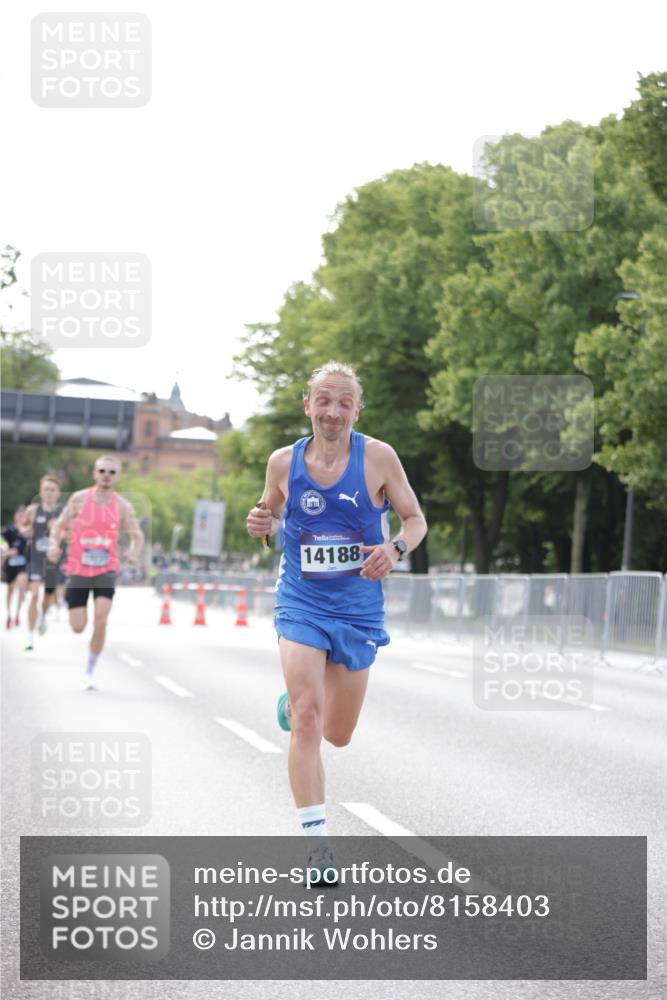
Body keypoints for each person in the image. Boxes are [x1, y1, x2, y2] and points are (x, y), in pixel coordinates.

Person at [246, 361, 427, 880]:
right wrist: (260, 522)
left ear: (356, 409)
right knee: (307, 715)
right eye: (324, 400)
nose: (333, 411)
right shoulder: (283, 462)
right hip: (300, 600)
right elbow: (267, 518)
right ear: (308, 405)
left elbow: (415, 520)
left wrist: (394, 548)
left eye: (344, 402)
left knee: (339, 733)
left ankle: (297, 701)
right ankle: (317, 847)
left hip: (357, 606)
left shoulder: (378, 458)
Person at [48, 455, 144, 689]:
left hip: (106, 568)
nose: (106, 476)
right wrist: (54, 544)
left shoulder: (122, 505)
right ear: (94, 473)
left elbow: (136, 535)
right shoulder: (79, 499)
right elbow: (59, 527)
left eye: (112, 472)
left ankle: (90, 669)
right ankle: (78, 623)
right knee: (78, 626)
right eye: (102, 471)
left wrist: (133, 552)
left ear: (117, 476)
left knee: (101, 619)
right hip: (79, 569)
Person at [21, 475, 64, 650]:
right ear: (41, 491)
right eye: (46, 489)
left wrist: (59, 528)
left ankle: (43, 616)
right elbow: (23, 528)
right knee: (34, 595)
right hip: (36, 558)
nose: (48, 493)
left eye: (52, 490)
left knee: (48, 596)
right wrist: (28, 530)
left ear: (58, 493)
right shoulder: (32, 510)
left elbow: (71, 534)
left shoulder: (63, 513)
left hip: (54, 560)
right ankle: (30, 637)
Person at [2, 507, 29, 629]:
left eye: (23, 515)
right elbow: (2, 543)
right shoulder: (8, 530)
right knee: (10, 590)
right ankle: (9, 616)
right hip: (10, 565)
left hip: (22, 564)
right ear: (15, 516)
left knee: (21, 584)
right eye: (19, 514)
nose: (21, 517)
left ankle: (18, 614)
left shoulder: (27, 532)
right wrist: (5, 551)